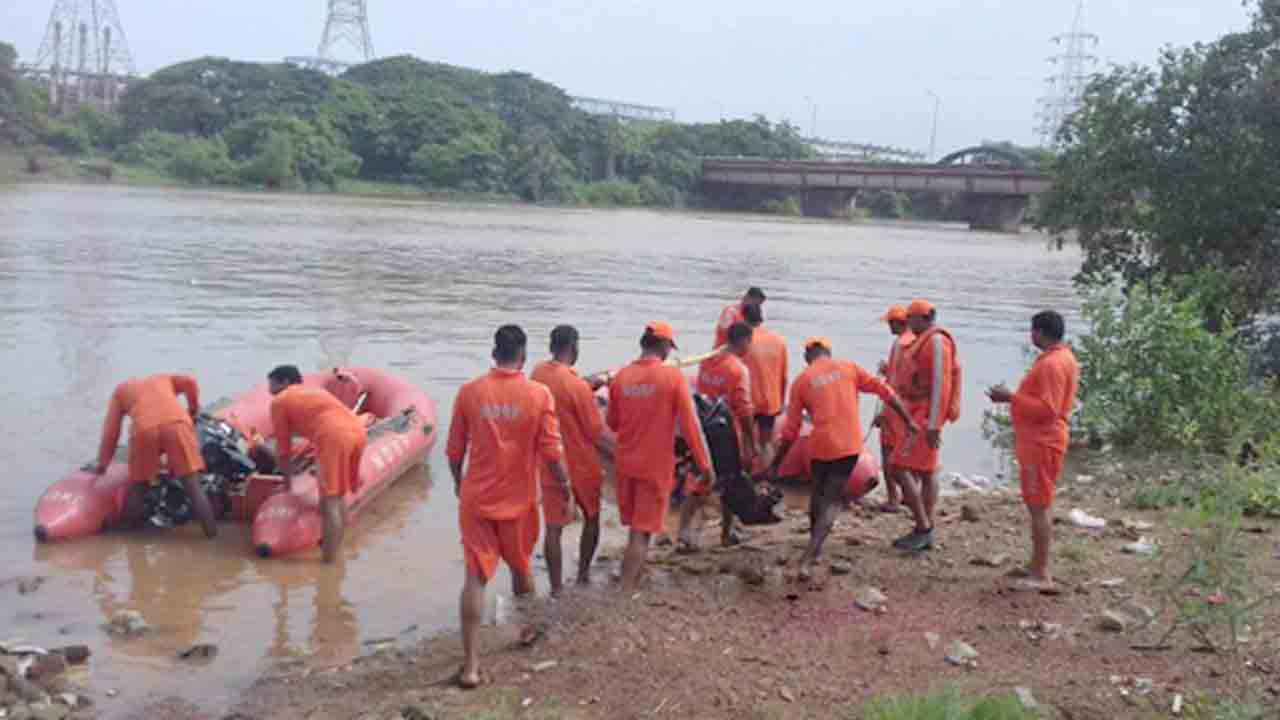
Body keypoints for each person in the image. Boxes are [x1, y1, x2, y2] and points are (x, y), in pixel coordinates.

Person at [446, 325, 572, 689]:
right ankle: (527, 631)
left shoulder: (469, 393)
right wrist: (565, 488)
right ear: (523, 355)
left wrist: (458, 482)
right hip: (518, 502)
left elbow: (455, 451)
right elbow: (552, 452)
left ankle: (470, 667)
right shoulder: (538, 395)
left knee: (475, 577)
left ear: (493, 352)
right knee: (521, 568)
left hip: (477, 500)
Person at [769, 338, 917, 580]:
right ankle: (811, 554)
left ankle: (812, 551)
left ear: (808, 356)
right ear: (828, 351)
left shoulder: (802, 381)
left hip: (819, 447)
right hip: (848, 447)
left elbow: (791, 430)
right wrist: (908, 420)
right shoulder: (849, 367)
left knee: (819, 494)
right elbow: (885, 391)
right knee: (832, 498)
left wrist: (776, 464)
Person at [608, 321, 714, 592]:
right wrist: (704, 465)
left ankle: (633, 577)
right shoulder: (672, 378)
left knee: (634, 526)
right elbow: (691, 427)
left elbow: (613, 422)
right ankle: (627, 589)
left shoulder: (620, 378)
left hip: (625, 464)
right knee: (641, 533)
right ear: (665, 347)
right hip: (653, 466)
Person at [986, 310, 1079, 591]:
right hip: (1040, 440)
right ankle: (1036, 563)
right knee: (1038, 503)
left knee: (1039, 506)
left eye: (1032, 331)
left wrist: (1010, 397)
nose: (1031, 336)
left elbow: (1048, 409)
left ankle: (1041, 572)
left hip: (1043, 441)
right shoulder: (1063, 358)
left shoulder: (1052, 364)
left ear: (1038, 332)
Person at [530, 325, 614, 594]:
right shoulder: (576, 387)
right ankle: (582, 575)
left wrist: (587, 385)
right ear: (574, 347)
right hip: (581, 464)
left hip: (550, 462)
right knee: (592, 518)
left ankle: (555, 588)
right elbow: (595, 432)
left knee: (553, 528)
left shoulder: (538, 373)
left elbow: (559, 392)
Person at [94, 373, 218, 538]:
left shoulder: (120, 392)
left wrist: (103, 464)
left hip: (144, 429)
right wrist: (193, 409)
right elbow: (191, 381)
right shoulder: (164, 378)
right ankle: (211, 535)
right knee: (193, 485)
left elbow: (111, 433)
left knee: (139, 486)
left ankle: (128, 539)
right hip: (177, 424)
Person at [267, 365, 367, 564]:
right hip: (357, 432)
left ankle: (328, 563)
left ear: (284, 382)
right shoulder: (314, 392)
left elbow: (283, 449)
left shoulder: (280, 401)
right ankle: (336, 550)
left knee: (331, 501)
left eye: (271, 384)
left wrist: (287, 486)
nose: (269, 389)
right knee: (337, 496)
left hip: (333, 436)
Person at [676, 321, 756, 552]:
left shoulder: (708, 363)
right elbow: (744, 409)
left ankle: (683, 532)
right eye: (749, 343)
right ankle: (726, 532)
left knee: (699, 480)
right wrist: (750, 444)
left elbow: (700, 393)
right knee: (731, 481)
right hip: (727, 435)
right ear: (742, 341)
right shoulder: (738, 370)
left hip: (703, 429)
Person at [890, 299, 960, 552]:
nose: (908, 323)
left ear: (924, 319)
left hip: (926, 414)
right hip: (921, 410)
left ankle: (923, 527)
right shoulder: (924, 341)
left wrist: (933, 425)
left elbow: (942, 385)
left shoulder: (936, 342)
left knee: (897, 465)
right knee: (928, 471)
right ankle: (925, 525)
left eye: (911, 318)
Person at [872, 305, 915, 512]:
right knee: (908, 452)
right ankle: (910, 495)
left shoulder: (900, 344)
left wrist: (883, 412)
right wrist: (888, 370)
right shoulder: (917, 341)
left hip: (896, 407)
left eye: (890, 323)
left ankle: (893, 499)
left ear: (898, 323)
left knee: (888, 451)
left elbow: (894, 386)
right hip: (911, 407)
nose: (889, 327)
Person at [741, 303, 788, 451]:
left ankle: (745, 471)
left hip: (748, 401)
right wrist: (780, 403)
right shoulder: (779, 341)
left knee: (746, 439)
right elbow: (784, 376)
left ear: (743, 319)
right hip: (771, 401)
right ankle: (766, 472)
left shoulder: (744, 342)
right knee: (766, 443)